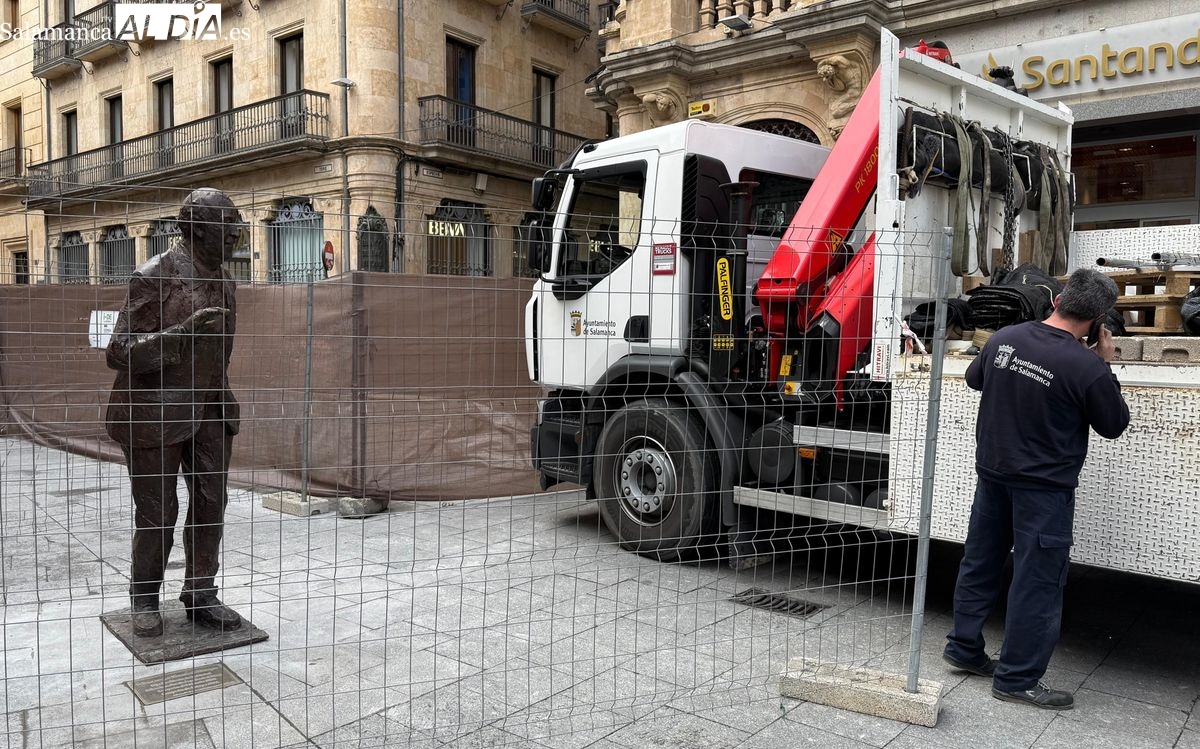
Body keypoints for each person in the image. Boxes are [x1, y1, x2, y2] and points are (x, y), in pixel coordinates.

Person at [943, 267, 1130, 709]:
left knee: (980, 562)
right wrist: (1104, 361)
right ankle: (1017, 678)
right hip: (1043, 491)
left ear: (1059, 299)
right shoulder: (1086, 366)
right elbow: (1114, 424)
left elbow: (974, 379)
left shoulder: (1007, 337)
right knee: (1038, 581)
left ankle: (963, 648)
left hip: (992, 474)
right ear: (1099, 319)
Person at [105, 188, 246, 638]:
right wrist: (181, 334)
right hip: (153, 413)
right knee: (158, 512)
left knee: (211, 502)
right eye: (229, 225)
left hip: (209, 407)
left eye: (238, 224)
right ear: (197, 229)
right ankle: (144, 597)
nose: (238, 234)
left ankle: (200, 592)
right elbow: (118, 351)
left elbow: (219, 352)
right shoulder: (152, 276)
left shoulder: (224, 279)